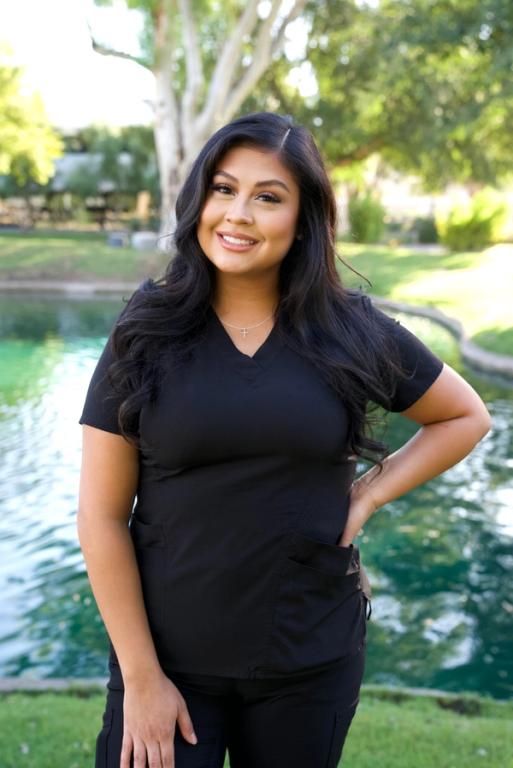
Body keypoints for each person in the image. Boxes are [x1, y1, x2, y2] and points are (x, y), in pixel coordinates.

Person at [77, 111, 492, 768]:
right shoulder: (146, 328)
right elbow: (100, 518)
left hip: (308, 657)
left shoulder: (349, 329)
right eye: (223, 188)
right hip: (168, 658)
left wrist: (367, 498)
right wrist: (142, 679)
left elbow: (464, 417)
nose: (238, 213)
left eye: (267, 197)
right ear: (198, 201)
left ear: (303, 219)